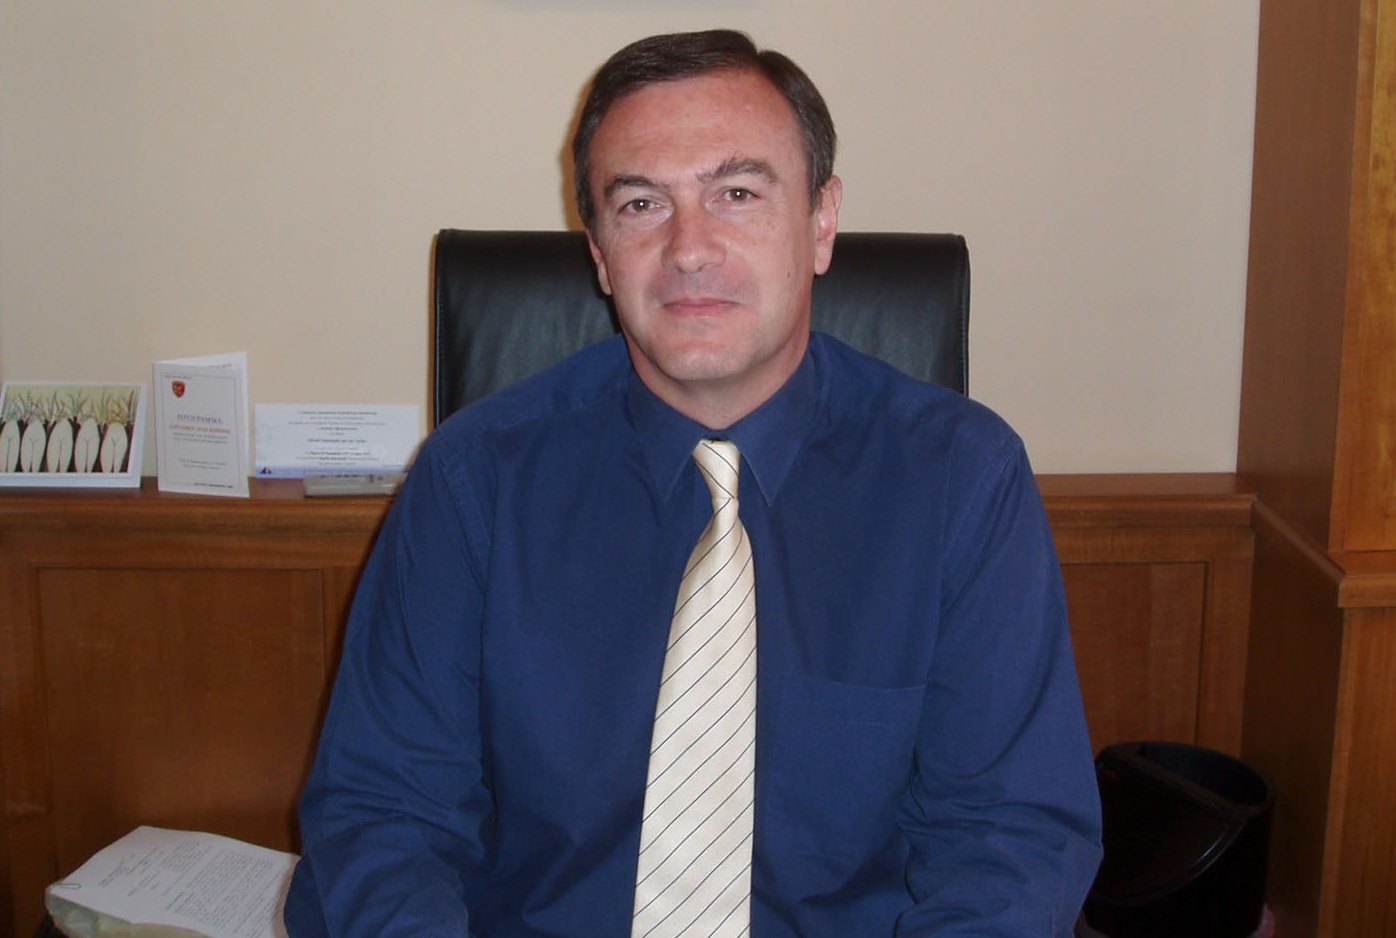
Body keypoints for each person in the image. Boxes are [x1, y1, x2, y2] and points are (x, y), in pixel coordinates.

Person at [285, 29, 1102, 938]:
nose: (689, 249)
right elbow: (387, 816)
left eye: (737, 194)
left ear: (821, 222)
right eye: (641, 204)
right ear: (601, 253)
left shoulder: (961, 481)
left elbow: (1006, 843)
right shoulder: (475, 480)